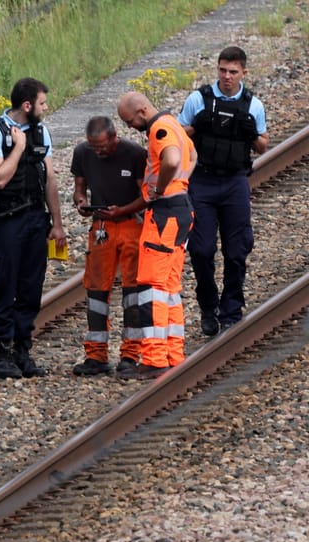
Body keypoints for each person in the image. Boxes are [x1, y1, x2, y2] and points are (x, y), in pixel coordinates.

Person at [0, 77, 66, 378]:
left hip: (35, 218)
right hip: (7, 222)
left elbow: (50, 179)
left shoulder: (41, 131)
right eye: (42, 103)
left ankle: (22, 350)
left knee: (30, 288)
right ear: (27, 106)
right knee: (5, 286)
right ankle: (3, 354)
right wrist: (18, 149)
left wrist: (57, 223)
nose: (46, 107)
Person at [178, 46, 269, 336]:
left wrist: (251, 132)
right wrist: (196, 126)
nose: (226, 76)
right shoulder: (198, 99)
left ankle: (231, 307)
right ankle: (208, 306)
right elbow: (177, 137)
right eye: (222, 70)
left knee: (237, 250)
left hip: (234, 182)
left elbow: (263, 145)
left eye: (233, 72)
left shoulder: (252, 104)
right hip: (202, 181)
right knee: (202, 250)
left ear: (243, 72)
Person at [117, 91, 197, 378]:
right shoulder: (173, 123)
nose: (129, 127)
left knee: (152, 287)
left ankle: (153, 358)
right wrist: (181, 183)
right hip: (181, 209)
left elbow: (173, 160)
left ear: (141, 110)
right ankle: (173, 353)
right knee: (170, 288)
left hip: (164, 213)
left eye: (129, 121)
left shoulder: (159, 129)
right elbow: (192, 155)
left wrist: (161, 189)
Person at [70, 116, 148, 376]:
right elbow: (79, 187)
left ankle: (130, 354)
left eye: (103, 146)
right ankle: (96, 355)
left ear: (115, 137)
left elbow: (147, 196)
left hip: (130, 224)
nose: (99, 151)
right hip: (102, 226)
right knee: (95, 289)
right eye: (94, 147)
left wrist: (122, 210)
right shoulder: (83, 152)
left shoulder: (135, 154)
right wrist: (81, 201)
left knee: (133, 289)